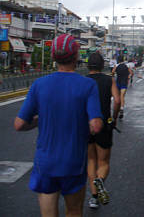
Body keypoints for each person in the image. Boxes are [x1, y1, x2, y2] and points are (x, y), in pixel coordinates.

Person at [14, 34, 103, 217]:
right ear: (76, 56)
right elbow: (96, 126)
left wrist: (41, 119)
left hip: (45, 163)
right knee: (74, 211)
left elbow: (19, 124)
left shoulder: (39, 84)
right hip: (74, 163)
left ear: (54, 56)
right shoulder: (87, 85)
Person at [86, 52, 121, 209]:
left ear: (88, 65)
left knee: (91, 160)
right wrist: (114, 117)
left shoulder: (83, 81)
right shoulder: (109, 80)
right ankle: (100, 180)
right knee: (104, 161)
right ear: (102, 65)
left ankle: (93, 197)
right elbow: (117, 100)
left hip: (86, 125)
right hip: (103, 124)